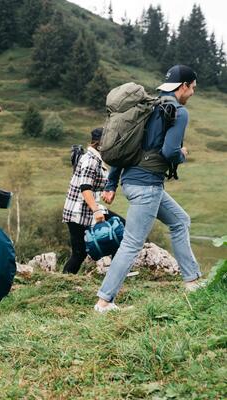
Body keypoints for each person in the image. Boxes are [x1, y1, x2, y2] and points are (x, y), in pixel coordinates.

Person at [94, 65, 203, 312]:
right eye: (193, 87)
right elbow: (169, 152)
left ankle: (192, 281)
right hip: (147, 187)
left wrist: (112, 183)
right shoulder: (177, 111)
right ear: (183, 86)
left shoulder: (148, 107)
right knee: (132, 243)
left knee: (180, 221)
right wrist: (182, 154)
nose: (193, 93)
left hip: (134, 183)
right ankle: (104, 301)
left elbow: (126, 149)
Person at [62, 128, 125, 274]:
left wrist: (105, 193)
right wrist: (96, 210)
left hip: (88, 208)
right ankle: (64, 281)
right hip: (78, 212)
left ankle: (116, 273)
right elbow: (85, 188)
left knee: (122, 231)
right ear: (101, 144)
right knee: (79, 253)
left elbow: (91, 185)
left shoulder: (96, 158)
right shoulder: (90, 160)